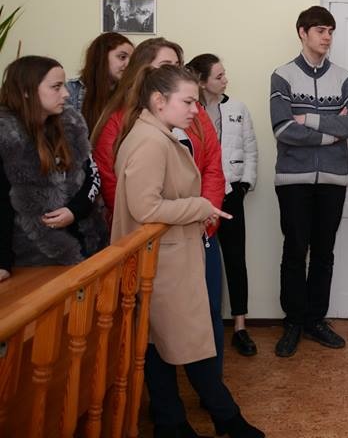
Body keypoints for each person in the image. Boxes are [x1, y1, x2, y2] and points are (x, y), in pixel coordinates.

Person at [112, 65, 262, 438]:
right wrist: (199, 207)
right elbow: (145, 207)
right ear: (159, 101)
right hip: (163, 264)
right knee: (191, 346)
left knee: (160, 346)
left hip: (165, 259)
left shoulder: (155, 134)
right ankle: (226, 417)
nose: (196, 110)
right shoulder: (150, 142)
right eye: (189, 102)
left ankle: (172, 422)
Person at [92, 37, 229, 374]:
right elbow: (121, 191)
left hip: (198, 231)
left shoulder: (192, 114)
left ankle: (209, 389)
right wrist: (195, 209)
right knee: (157, 325)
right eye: (166, 66)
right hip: (156, 240)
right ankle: (185, 400)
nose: (175, 71)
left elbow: (212, 166)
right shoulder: (126, 122)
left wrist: (207, 214)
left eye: (178, 65)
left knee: (205, 312)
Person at [271, 6, 348, 357]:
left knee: (324, 252)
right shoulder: (281, 76)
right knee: (295, 250)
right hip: (293, 180)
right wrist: (332, 131)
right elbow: (283, 128)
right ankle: (293, 321)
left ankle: (315, 320)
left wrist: (308, 118)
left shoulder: (344, 77)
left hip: (333, 180)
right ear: (302, 32)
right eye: (320, 30)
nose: (327, 37)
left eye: (330, 31)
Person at [0, 56, 106, 282]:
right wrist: (2, 262)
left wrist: (75, 210)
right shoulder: (6, 136)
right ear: (26, 91)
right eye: (56, 87)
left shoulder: (71, 123)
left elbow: (92, 174)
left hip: (86, 242)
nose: (66, 94)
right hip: (32, 258)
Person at [187, 53, 259, 358]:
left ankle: (240, 326)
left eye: (224, 74)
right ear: (202, 82)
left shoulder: (238, 109)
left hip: (231, 196)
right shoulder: (189, 112)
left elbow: (251, 148)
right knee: (200, 263)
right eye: (218, 76)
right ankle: (202, 327)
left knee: (235, 259)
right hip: (199, 199)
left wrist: (244, 185)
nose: (225, 80)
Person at [65, 31, 134, 129]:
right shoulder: (71, 91)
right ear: (101, 57)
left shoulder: (132, 93)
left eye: (132, 60)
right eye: (122, 57)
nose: (128, 64)